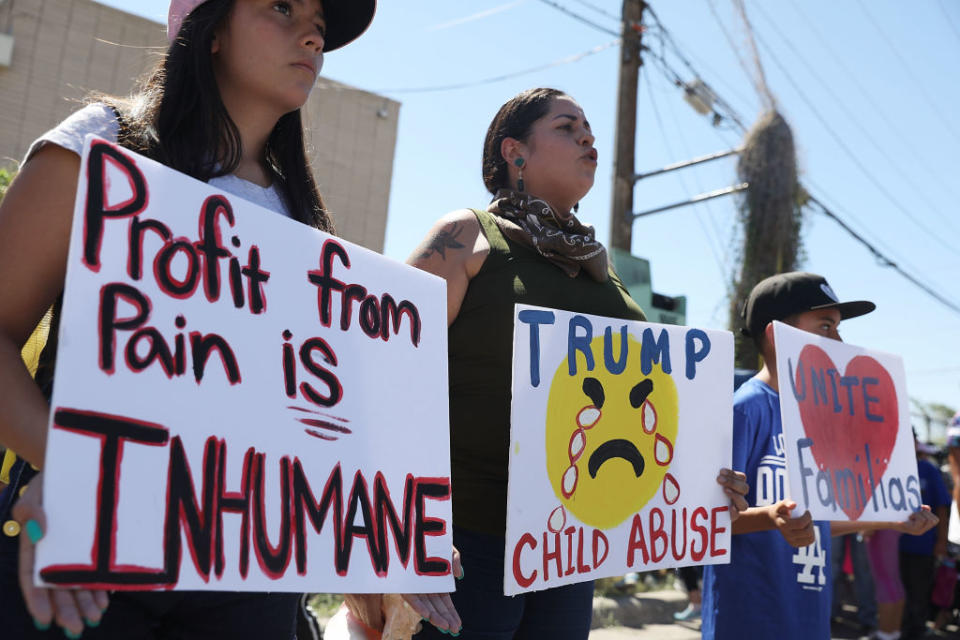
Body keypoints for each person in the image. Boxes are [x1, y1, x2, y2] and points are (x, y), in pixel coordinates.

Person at [0, 0, 375, 637]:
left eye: (319, 20)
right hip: (91, 545)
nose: (313, 34)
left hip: (248, 570)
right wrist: (72, 469)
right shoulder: (105, 142)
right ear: (210, 31)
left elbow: (315, 418)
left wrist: (382, 535)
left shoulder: (304, 220)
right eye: (282, 7)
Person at [389, 87, 749, 640]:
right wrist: (402, 524)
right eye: (566, 126)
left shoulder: (601, 272)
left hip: (566, 552)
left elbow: (651, 403)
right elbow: (384, 370)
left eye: (589, 128)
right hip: (463, 545)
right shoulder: (466, 237)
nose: (588, 137)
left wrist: (704, 482)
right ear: (516, 153)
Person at [701, 271, 941, 640]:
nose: (840, 340)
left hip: (809, 616)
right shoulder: (744, 409)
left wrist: (892, 521)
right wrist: (770, 516)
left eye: (838, 328)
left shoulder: (820, 417)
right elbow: (706, 520)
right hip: (748, 615)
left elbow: (820, 519)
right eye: (826, 326)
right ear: (778, 334)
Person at [898, 431, 950, 640]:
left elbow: (942, 508)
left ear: (916, 443)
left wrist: (941, 541)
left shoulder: (928, 469)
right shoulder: (892, 469)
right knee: (899, 590)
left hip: (924, 546)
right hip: (897, 544)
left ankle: (917, 629)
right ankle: (900, 628)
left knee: (919, 591)